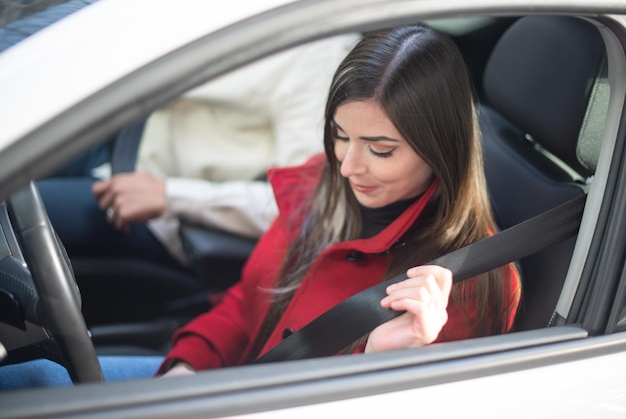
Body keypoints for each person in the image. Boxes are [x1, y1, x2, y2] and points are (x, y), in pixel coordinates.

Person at [0, 24, 521, 388]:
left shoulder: (469, 281)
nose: (346, 165)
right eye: (340, 136)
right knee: (32, 380)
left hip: (272, 402)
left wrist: (380, 360)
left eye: (380, 150)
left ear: (441, 147)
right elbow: (245, 302)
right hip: (222, 384)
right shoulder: (323, 187)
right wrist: (187, 369)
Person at [38, 33, 360, 270]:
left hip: (153, 200)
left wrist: (169, 195)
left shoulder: (321, 58)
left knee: (14, 214)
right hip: (118, 129)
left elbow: (301, 205)